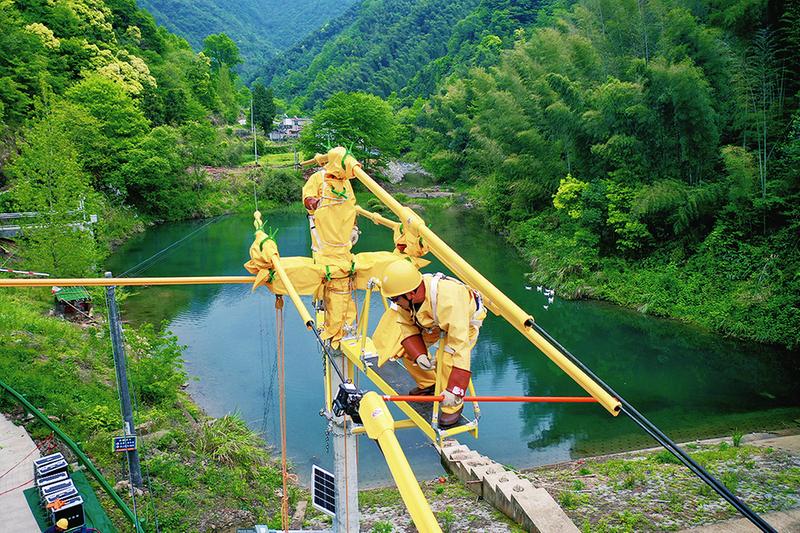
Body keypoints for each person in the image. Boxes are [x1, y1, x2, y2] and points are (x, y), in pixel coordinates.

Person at [380, 259, 486, 428]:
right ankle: (429, 384)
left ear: (410, 294)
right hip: (432, 321)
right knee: (406, 351)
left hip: (463, 323)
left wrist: (455, 390)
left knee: (446, 360)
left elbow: (460, 346)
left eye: (394, 299)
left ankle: (453, 406)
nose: (394, 302)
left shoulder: (449, 299)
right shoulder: (407, 299)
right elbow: (407, 327)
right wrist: (419, 354)